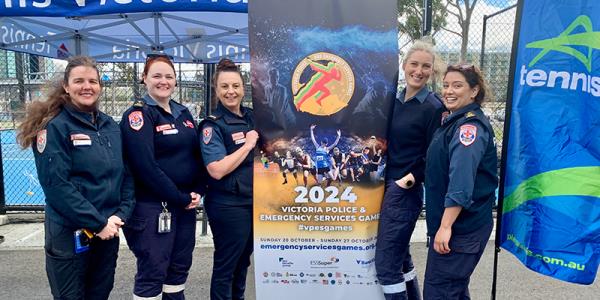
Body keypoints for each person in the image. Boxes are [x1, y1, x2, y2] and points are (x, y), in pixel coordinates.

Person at [17, 56, 135, 299]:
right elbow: (57, 187)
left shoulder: (110, 126)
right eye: (79, 81)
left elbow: (127, 176)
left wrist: (120, 215)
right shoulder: (55, 127)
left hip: (107, 233)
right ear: (66, 87)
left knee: (100, 294)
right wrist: (98, 223)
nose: (87, 86)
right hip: (70, 236)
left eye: (92, 81)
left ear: (100, 87)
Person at [120, 54, 205, 300]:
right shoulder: (138, 115)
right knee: (153, 270)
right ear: (144, 78)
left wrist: (198, 190)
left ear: (176, 81)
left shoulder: (183, 113)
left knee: (178, 269)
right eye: (156, 75)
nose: (163, 81)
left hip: (184, 206)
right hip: (152, 207)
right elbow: (145, 167)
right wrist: (180, 197)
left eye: (169, 76)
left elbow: (197, 155)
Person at [375, 39, 446, 300]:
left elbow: (435, 155)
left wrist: (409, 179)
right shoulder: (392, 99)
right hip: (382, 185)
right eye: (414, 64)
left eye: (426, 66)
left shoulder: (433, 107)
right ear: (404, 66)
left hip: (404, 191)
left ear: (432, 72)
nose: (419, 71)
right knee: (401, 257)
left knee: (385, 265)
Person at [423, 63, 497, 299]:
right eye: (445, 85)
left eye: (457, 85)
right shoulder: (454, 121)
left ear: (474, 91)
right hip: (458, 226)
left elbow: (461, 183)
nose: (449, 91)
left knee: (440, 292)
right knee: (453, 291)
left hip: (460, 229)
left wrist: (445, 227)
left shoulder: (468, 128)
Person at [200, 58, 259, 300]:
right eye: (224, 87)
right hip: (228, 205)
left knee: (242, 262)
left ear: (244, 88)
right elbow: (216, 169)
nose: (230, 92)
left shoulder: (253, 117)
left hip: (253, 201)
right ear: (216, 90)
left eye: (235, 86)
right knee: (227, 266)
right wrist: (247, 146)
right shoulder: (212, 125)